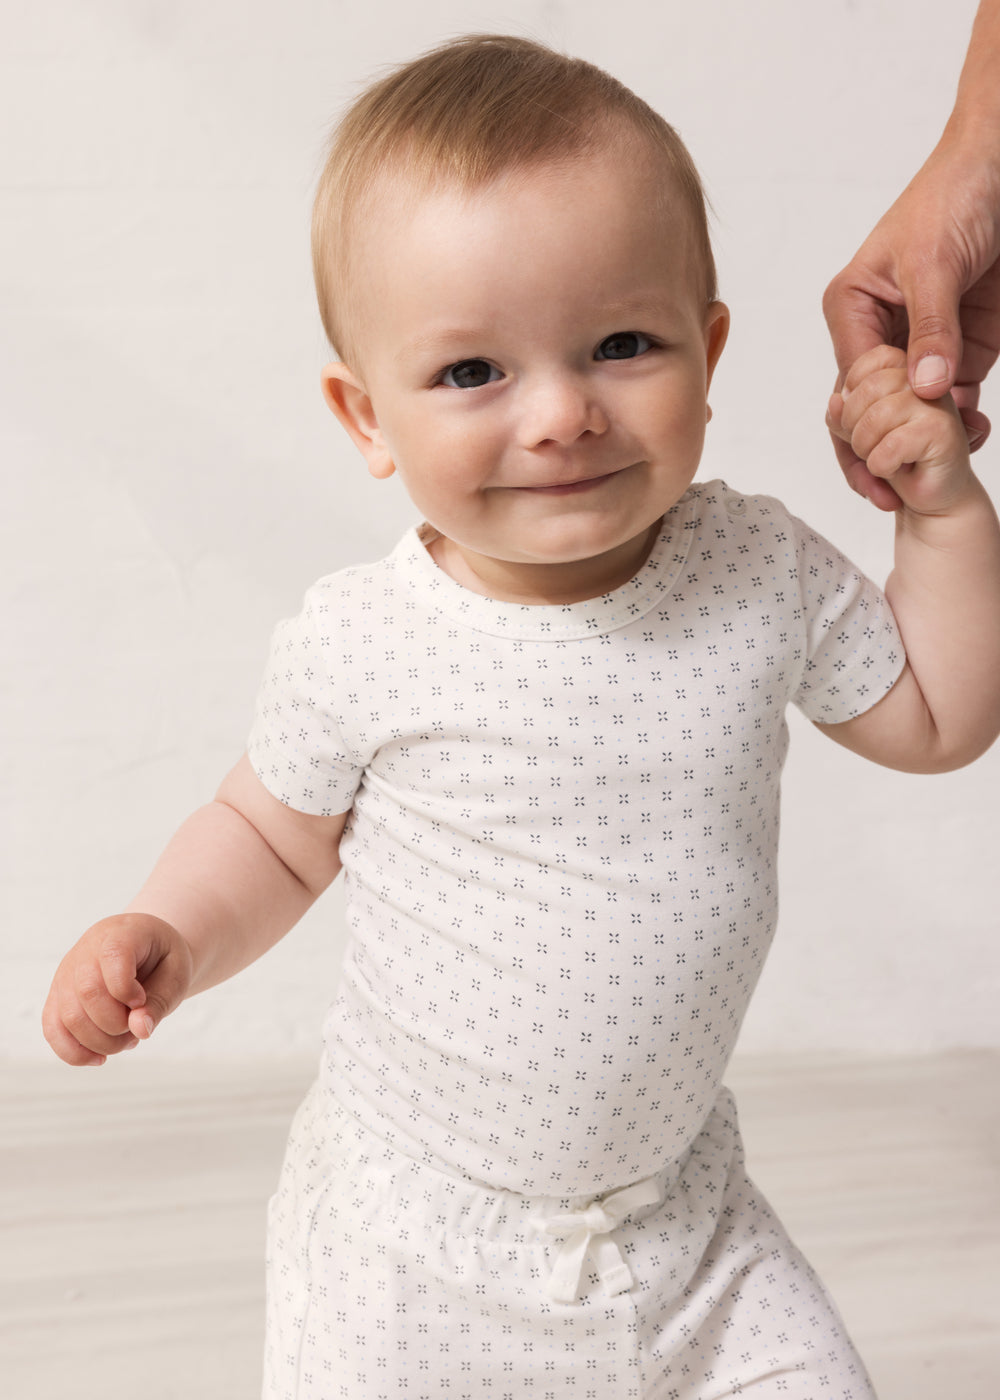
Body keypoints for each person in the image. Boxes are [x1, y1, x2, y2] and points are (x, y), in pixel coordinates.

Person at [42, 34, 1000, 1400]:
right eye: (472, 373)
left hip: (681, 1224)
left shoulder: (758, 571)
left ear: (709, 349)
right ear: (366, 418)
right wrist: (166, 933)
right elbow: (268, 834)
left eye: (622, 344)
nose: (560, 415)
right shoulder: (366, 639)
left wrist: (947, 516)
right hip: (418, 1241)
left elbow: (940, 718)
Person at [824, 0, 1000, 507]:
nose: (574, 421)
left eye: (623, 346)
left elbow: (948, 591)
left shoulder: (765, 544)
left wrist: (942, 507)